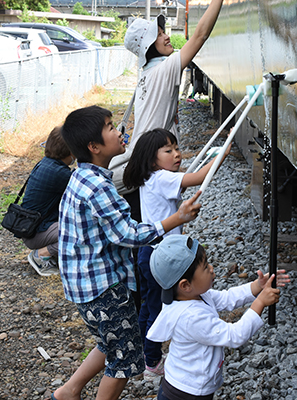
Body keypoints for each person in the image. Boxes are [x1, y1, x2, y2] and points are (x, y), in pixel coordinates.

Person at [51, 105, 202, 400]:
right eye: (110, 127)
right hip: (102, 287)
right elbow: (128, 234)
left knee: (111, 341)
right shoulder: (98, 188)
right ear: (94, 146)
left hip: (85, 284)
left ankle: (69, 391)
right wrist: (177, 218)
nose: (119, 131)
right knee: (124, 360)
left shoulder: (83, 176)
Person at [122, 128, 231, 380]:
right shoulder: (162, 178)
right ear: (152, 159)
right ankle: (151, 362)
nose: (177, 154)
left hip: (148, 252)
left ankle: (144, 354)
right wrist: (224, 150)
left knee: (149, 307)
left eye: (177, 148)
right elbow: (200, 177)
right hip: (162, 257)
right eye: (168, 150)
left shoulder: (152, 176)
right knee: (158, 310)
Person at [147, 234, 290, 400]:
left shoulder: (197, 295)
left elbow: (227, 297)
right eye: (205, 267)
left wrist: (257, 286)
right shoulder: (190, 317)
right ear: (185, 285)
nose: (212, 268)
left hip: (189, 386)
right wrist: (259, 303)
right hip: (186, 393)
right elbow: (234, 336)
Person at [110, 0, 226, 194]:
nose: (167, 36)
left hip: (144, 158)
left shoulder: (147, 73)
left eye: (163, 31)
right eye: (159, 34)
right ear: (148, 46)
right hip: (152, 161)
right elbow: (200, 36)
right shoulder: (164, 69)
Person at [21, 126, 73, 277]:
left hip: (33, 228)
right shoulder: (59, 173)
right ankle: (41, 255)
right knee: (78, 231)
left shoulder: (47, 163)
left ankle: (53, 252)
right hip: (37, 232)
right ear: (69, 151)